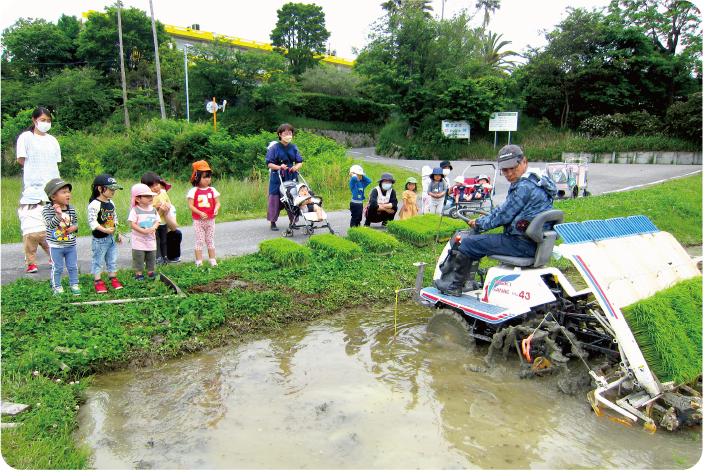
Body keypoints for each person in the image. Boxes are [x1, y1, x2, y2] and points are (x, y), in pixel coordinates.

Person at [434, 145, 557, 296]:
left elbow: (504, 216)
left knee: (468, 243)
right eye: (505, 170)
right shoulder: (537, 181)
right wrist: (489, 215)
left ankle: (454, 287)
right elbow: (507, 208)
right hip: (534, 242)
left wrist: (479, 223)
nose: (510, 174)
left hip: (521, 243)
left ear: (523, 162)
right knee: (478, 243)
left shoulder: (524, 187)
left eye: (513, 168)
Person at [42, 178, 79, 296]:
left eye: (68, 191)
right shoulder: (47, 209)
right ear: (53, 197)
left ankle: (74, 284)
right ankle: (57, 286)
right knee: (57, 267)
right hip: (56, 245)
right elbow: (50, 225)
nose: (68, 194)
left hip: (70, 244)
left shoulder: (71, 208)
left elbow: (75, 222)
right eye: (64, 192)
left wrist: (74, 228)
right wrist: (58, 214)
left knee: (72, 266)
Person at [16, 107, 61, 205]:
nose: (46, 123)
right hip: (34, 184)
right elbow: (20, 159)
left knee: (52, 215)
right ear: (34, 120)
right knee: (35, 214)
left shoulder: (53, 140)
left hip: (52, 184)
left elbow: (55, 163)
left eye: (48, 121)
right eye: (43, 120)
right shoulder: (26, 137)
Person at [87, 174, 124, 293]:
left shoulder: (111, 203)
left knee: (112, 258)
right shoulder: (94, 204)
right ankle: (98, 281)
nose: (113, 191)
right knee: (98, 260)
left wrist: (117, 232)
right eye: (110, 189)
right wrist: (105, 230)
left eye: (114, 189)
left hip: (111, 238)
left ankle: (113, 278)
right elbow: (92, 221)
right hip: (100, 239)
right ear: (100, 189)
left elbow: (114, 219)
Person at [266, 123, 303, 231]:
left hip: (291, 175)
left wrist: (295, 167)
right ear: (280, 134)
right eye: (286, 133)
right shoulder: (275, 148)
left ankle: (293, 221)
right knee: (275, 199)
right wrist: (278, 167)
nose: (288, 135)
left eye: (290, 133)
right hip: (277, 176)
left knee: (292, 197)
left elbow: (299, 161)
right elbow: (269, 163)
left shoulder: (294, 147)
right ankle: (273, 222)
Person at [141, 172, 181, 264]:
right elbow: (146, 212)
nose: (156, 187)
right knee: (156, 241)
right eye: (152, 185)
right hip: (152, 224)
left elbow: (169, 204)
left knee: (163, 240)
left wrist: (166, 207)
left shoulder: (163, 194)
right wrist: (157, 208)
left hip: (163, 222)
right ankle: (157, 257)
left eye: (157, 184)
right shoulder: (146, 198)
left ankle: (164, 256)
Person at [187, 160, 221, 267]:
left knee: (210, 240)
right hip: (198, 221)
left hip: (210, 220)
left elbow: (218, 202)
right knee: (200, 240)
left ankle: (212, 259)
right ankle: (199, 261)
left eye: (209, 177)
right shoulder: (194, 191)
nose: (207, 180)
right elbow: (191, 205)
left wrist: (216, 209)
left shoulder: (212, 190)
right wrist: (200, 213)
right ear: (197, 178)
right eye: (204, 177)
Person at [128, 184, 160, 280]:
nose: (150, 198)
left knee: (151, 255)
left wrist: (154, 227)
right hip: (139, 240)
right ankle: (139, 273)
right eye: (146, 196)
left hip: (150, 239)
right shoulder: (135, 210)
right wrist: (143, 230)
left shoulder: (153, 210)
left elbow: (157, 221)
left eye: (151, 196)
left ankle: (151, 272)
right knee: (139, 256)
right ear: (137, 199)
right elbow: (132, 224)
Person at [18, 190, 51, 273]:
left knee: (30, 250)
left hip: (29, 232)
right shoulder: (42, 208)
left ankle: (32, 265)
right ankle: (53, 260)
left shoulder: (21, 209)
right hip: (43, 231)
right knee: (48, 246)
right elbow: (46, 219)